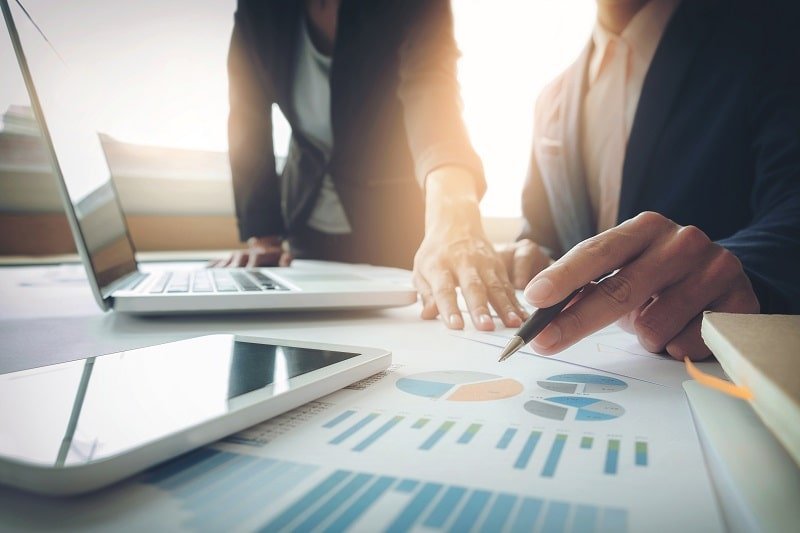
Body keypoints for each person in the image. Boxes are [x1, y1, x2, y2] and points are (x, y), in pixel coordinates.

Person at [501, 0, 800, 360]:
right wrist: (529, 255)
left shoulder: (776, 31)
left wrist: (733, 270)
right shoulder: (551, 99)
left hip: (711, 373)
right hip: (604, 368)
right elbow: (543, 233)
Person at [218, 0, 524, 331]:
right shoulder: (257, 8)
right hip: (305, 221)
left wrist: (455, 212)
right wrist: (264, 235)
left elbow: (432, 88)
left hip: (392, 221)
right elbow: (247, 115)